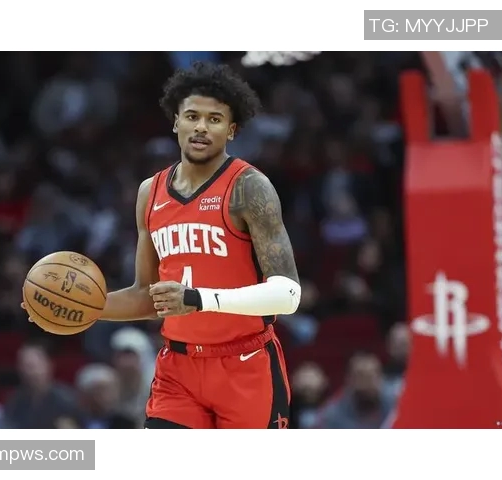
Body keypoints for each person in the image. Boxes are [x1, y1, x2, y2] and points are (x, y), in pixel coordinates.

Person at [23, 61, 301, 429]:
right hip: (178, 369)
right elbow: (147, 296)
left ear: (232, 129)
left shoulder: (249, 188)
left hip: (245, 364)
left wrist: (197, 299)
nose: (201, 127)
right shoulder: (150, 193)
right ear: (175, 121)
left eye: (215, 119)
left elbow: (288, 295)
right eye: (192, 116)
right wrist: (77, 308)